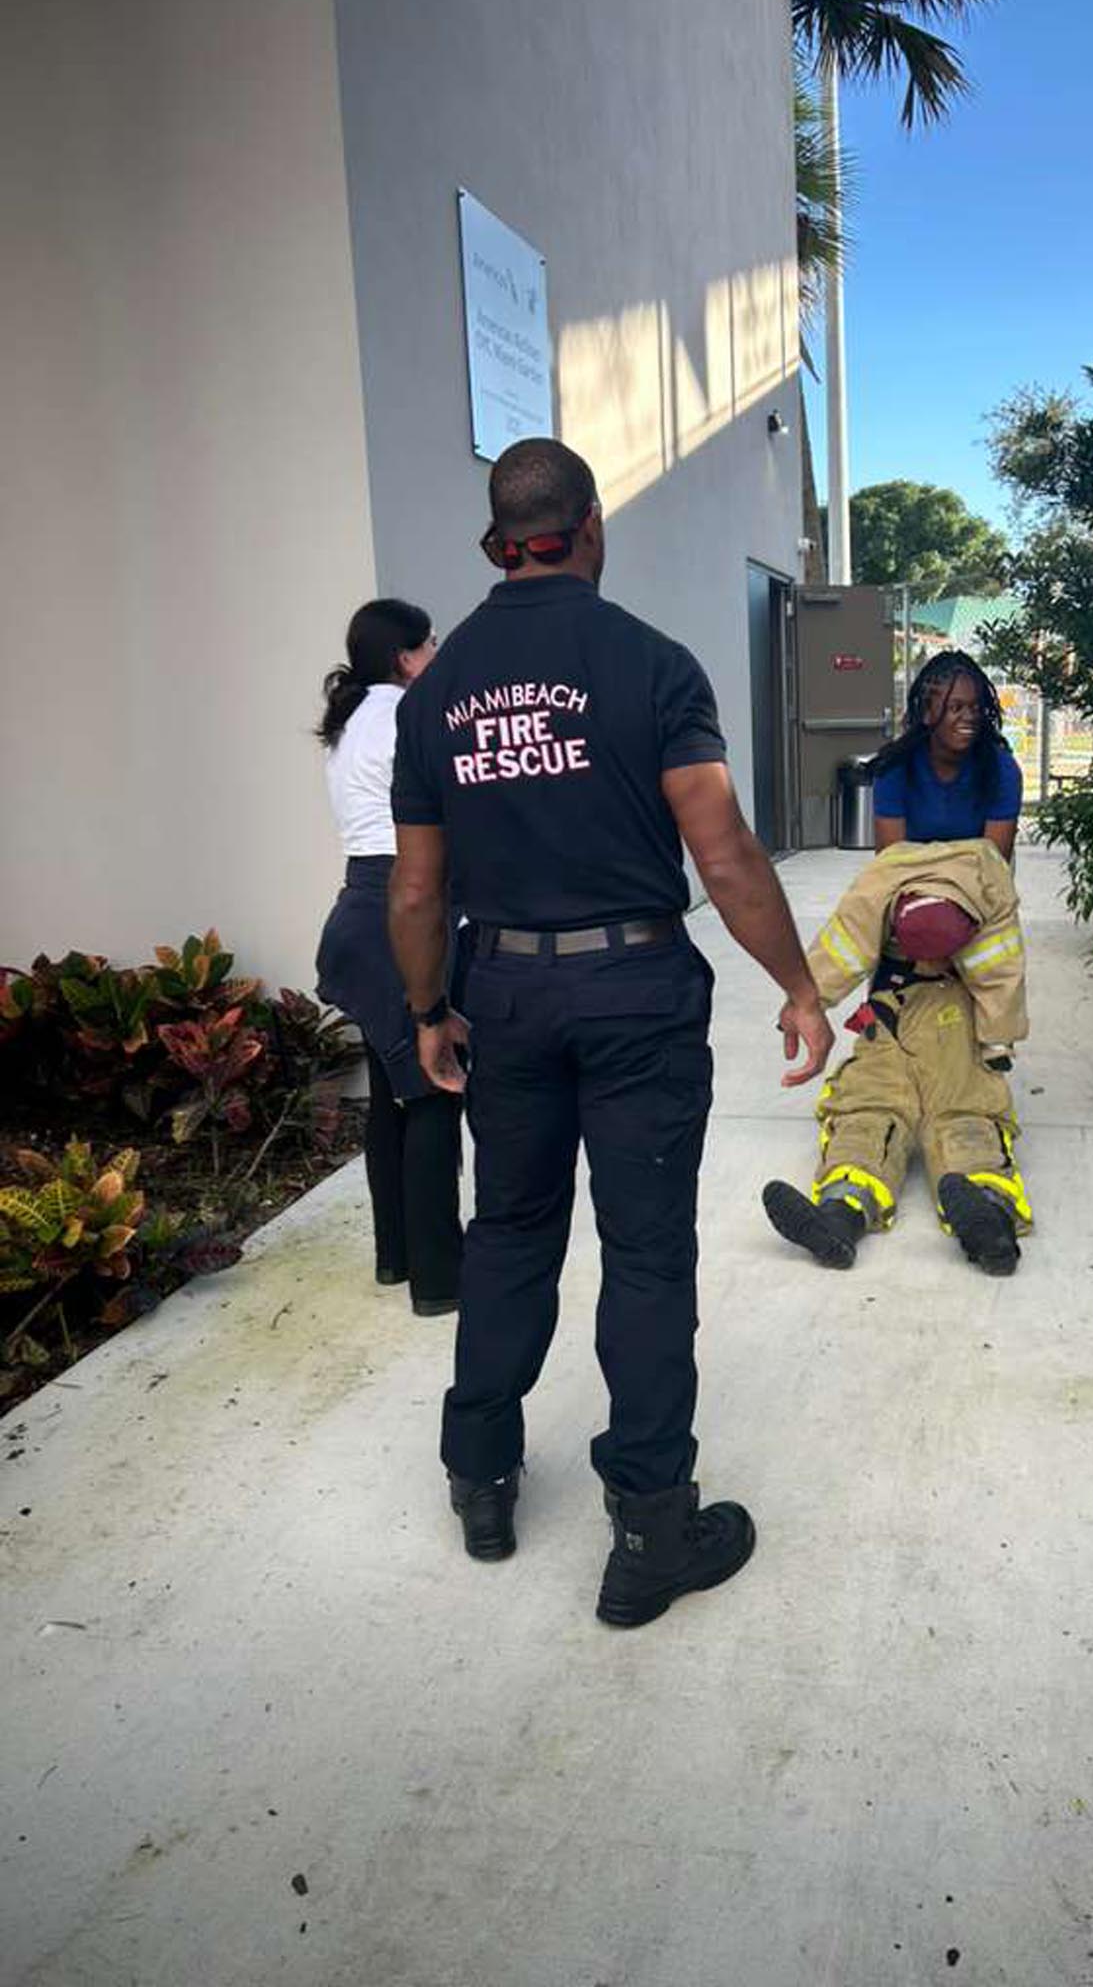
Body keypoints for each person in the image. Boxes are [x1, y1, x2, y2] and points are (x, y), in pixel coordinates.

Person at [387, 436, 834, 1629]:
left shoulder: (435, 698)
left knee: (509, 1234)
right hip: (633, 993)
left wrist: (430, 1010)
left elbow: (418, 891)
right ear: (589, 529)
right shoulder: (652, 666)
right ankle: (649, 1525)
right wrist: (796, 985)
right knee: (644, 1253)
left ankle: (481, 1476)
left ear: (498, 544)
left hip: (507, 998)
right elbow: (726, 854)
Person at [762, 838, 1032, 1274]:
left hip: (919, 1019)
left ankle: (986, 1221)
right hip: (902, 1020)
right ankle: (839, 1218)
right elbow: (845, 947)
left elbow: (999, 969)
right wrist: (804, 1003)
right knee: (877, 1115)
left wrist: (805, 1000)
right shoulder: (884, 886)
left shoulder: (982, 884)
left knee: (956, 1117)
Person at [314, 600, 463, 1317]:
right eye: (430, 643)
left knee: (392, 1093)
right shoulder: (407, 716)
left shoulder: (350, 723)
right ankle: (441, 1281)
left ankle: (396, 1258)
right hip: (400, 909)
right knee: (437, 1086)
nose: (436, 654)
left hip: (358, 909)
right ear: (405, 657)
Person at [871, 650, 1023, 856]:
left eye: (975, 707)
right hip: (910, 876)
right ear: (927, 712)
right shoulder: (895, 768)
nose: (968, 716)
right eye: (956, 707)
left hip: (978, 877)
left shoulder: (1002, 770)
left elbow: (994, 864)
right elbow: (892, 862)